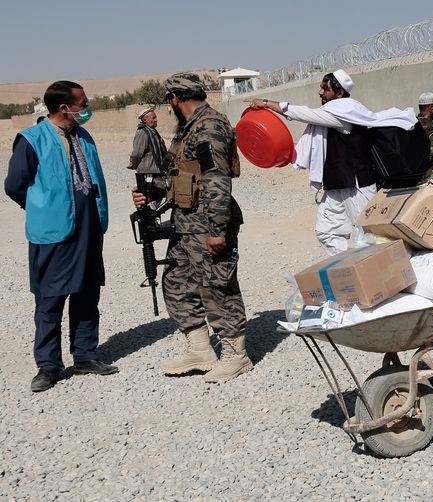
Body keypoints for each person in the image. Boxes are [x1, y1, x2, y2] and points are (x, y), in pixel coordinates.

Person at [132, 73, 252, 383]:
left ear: (174, 99)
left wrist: (217, 229)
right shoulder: (187, 128)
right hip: (186, 223)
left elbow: (217, 180)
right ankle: (200, 350)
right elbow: (177, 173)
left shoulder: (210, 126)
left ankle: (235, 355)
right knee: (176, 281)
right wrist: (152, 191)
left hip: (208, 223)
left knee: (216, 284)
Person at [5, 80, 117, 393]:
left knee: (86, 292)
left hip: (88, 229)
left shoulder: (84, 137)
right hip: (53, 234)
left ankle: (85, 356)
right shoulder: (32, 139)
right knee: (50, 299)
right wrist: (44, 208)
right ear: (64, 108)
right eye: (82, 103)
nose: (87, 107)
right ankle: (48, 366)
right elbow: (14, 185)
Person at [247, 69, 417, 255]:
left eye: (325, 89)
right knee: (326, 232)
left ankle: (397, 268)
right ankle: (353, 267)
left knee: (372, 234)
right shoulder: (333, 110)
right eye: (321, 87)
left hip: (357, 186)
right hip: (336, 184)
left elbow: (304, 114)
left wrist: (266, 103)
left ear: (339, 93)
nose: (320, 92)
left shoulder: (345, 111)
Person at [127, 107, 167, 174]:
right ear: (145, 120)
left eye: (156, 117)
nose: (156, 120)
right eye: (153, 118)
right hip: (147, 172)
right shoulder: (142, 132)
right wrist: (133, 163)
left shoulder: (152, 131)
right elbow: (137, 153)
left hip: (156, 170)